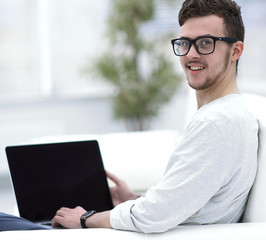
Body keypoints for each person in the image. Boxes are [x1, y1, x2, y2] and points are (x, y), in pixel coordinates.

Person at [0, 0, 259, 233]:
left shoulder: (217, 123)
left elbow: (155, 215)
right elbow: (185, 205)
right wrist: (134, 199)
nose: (191, 54)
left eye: (205, 43)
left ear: (235, 51)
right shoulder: (225, 114)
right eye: (184, 43)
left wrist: (85, 218)